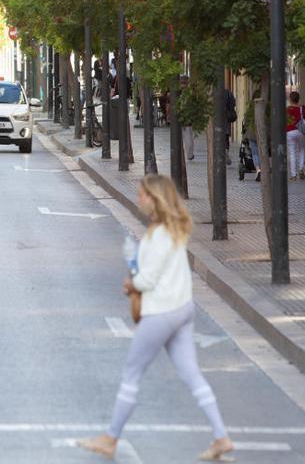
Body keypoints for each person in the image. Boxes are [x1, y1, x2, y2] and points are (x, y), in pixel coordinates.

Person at [77, 175, 233, 461]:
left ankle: (110, 439)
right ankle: (221, 437)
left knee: (131, 373)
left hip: (161, 312)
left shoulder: (159, 234)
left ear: (155, 198)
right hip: (183, 308)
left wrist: (131, 283)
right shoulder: (173, 230)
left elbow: (147, 279)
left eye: (142, 195)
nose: (139, 199)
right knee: (192, 374)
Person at [286, 91, 305, 181]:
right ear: (298, 99)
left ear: (290, 99)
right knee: (301, 150)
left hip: (290, 132)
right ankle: (301, 169)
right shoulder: (303, 108)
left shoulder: (287, 109)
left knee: (292, 153)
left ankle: (293, 175)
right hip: (301, 131)